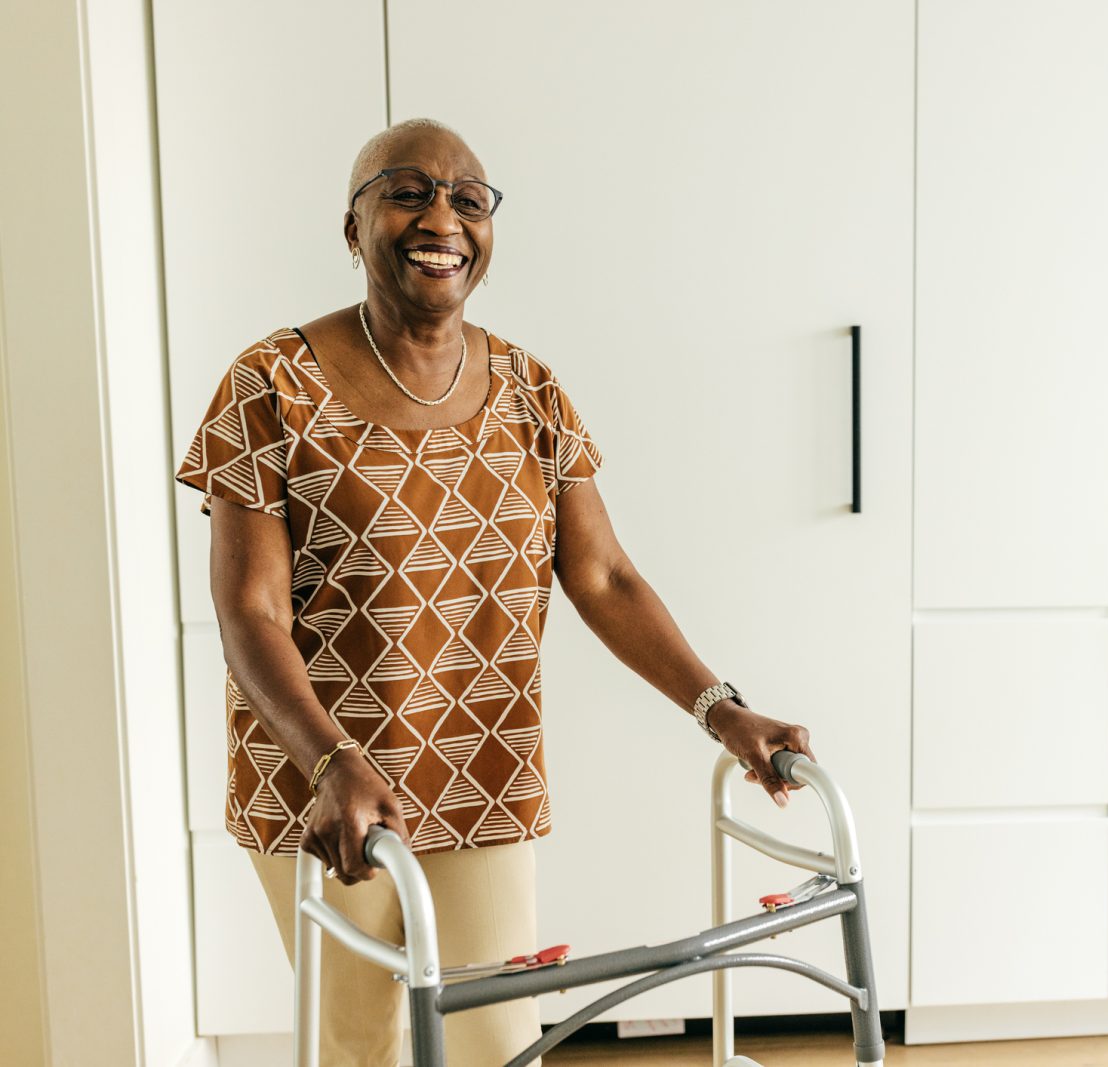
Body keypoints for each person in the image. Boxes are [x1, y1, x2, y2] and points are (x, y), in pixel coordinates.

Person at [176, 117, 815, 1066]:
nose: (441, 216)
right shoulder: (270, 383)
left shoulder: (531, 390)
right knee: (362, 1045)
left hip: (481, 773)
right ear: (353, 228)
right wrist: (329, 762)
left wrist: (723, 709)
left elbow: (604, 576)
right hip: (324, 784)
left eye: (467, 198)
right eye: (405, 191)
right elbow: (251, 611)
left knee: (497, 1037)